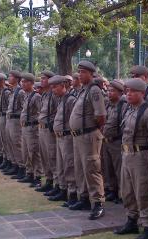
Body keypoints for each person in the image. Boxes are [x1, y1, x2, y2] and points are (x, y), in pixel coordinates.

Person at [113, 78, 148, 239]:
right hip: (127, 155)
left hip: (141, 156)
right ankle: (131, 221)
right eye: (127, 91)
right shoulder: (129, 109)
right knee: (127, 190)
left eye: (132, 91)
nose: (128, 94)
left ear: (142, 93)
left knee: (144, 192)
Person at [68, 60, 107, 220]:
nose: (80, 74)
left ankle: (98, 203)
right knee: (80, 168)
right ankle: (84, 198)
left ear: (91, 74)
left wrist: (91, 128)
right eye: (79, 71)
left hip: (89, 135)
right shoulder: (83, 90)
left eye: (83, 72)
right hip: (79, 136)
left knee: (92, 168)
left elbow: (101, 116)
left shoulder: (94, 90)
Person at [52, 75, 78, 206]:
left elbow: (73, 119)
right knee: (61, 165)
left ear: (63, 86)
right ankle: (63, 190)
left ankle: (73, 193)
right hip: (60, 136)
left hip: (67, 136)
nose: (53, 89)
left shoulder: (70, 100)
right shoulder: (61, 99)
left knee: (69, 165)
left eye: (55, 87)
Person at [102, 80, 127, 203]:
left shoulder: (123, 105)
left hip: (117, 141)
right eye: (108, 90)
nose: (109, 93)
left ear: (120, 92)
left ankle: (122, 194)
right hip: (106, 141)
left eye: (112, 91)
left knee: (119, 169)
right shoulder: (108, 105)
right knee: (108, 168)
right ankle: (112, 191)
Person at [19, 73, 43, 185]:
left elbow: (41, 112)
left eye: (24, 82)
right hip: (25, 127)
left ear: (31, 83)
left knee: (33, 152)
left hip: (32, 128)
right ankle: (29, 172)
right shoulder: (26, 95)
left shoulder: (36, 96)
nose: (22, 84)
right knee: (25, 152)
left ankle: (37, 175)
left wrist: (36, 123)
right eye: (22, 82)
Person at [4, 70, 26, 178]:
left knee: (17, 143)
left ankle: (22, 167)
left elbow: (24, 108)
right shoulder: (12, 90)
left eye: (10, 76)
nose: (8, 78)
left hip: (16, 121)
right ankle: (15, 164)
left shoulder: (20, 92)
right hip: (9, 119)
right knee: (10, 142)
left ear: (16, 79)